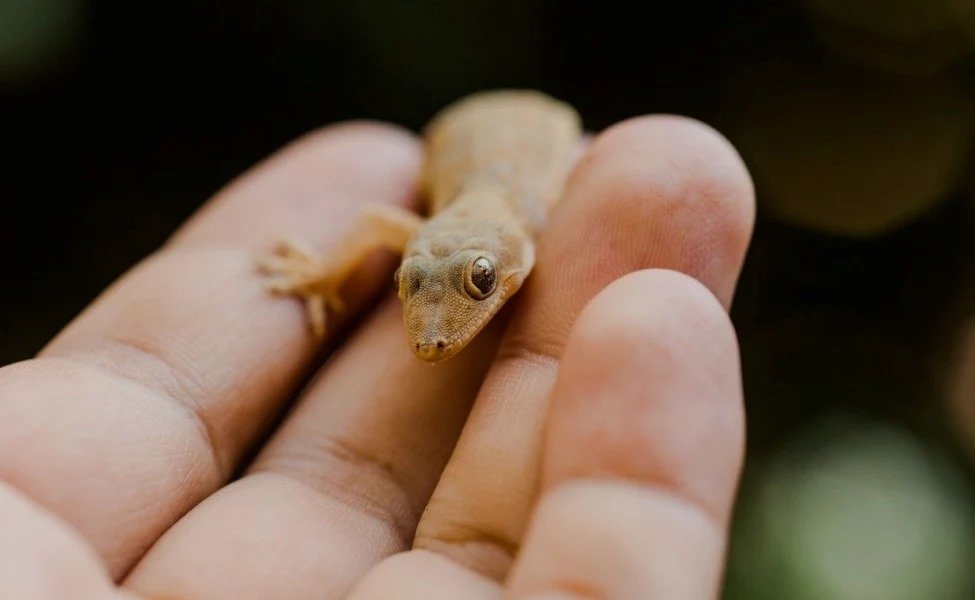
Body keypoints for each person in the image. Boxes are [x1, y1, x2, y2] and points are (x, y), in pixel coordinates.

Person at [0, 114, 754, 598]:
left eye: (477, 284)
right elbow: (373, 222)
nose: (431, 331)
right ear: (411, 252)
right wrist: (328, 273)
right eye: (413, 283)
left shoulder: (539, 215)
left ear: (513, 258)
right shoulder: (433, 235)